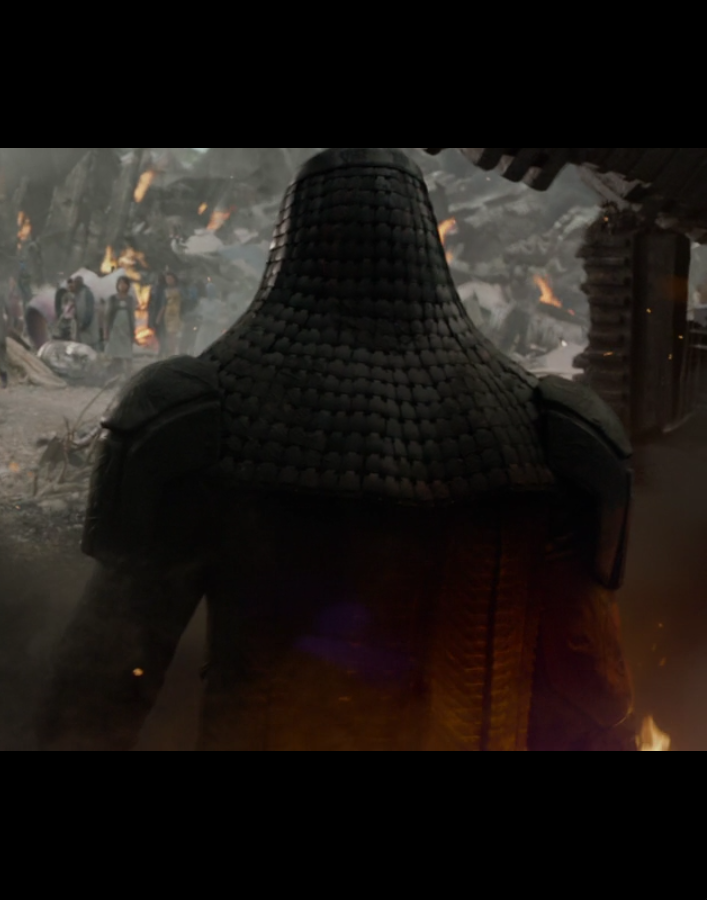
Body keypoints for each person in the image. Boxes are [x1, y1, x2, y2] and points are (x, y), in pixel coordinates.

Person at [37, 147, 638, 752]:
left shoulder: (201, 418)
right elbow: (595, 694)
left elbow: (98, 684)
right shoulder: (545, 431)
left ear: (295, 241)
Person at [105, 276, 136, 378]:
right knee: (116, 352)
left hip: (126, 328)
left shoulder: (130, 299)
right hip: (115, 328)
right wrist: (106, 330)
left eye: (124, 283)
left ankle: (128, 374)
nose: (122, 286)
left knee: (127, 352)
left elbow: (132, 315)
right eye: (120, 283)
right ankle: (116, 373)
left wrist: (133, 330)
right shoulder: (113, 299)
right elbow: (108, 315)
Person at [157, 272, 184, 356]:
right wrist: (159, 317)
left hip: (177, 314)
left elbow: (184, 301)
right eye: (167, 279)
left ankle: (175, 351)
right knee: (169, 335)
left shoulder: (180, 290)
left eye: (170, 278)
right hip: (168, 315)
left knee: (174, 334)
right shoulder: (165, 291)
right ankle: (171, 352)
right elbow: (163, 305)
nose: (168, 281)